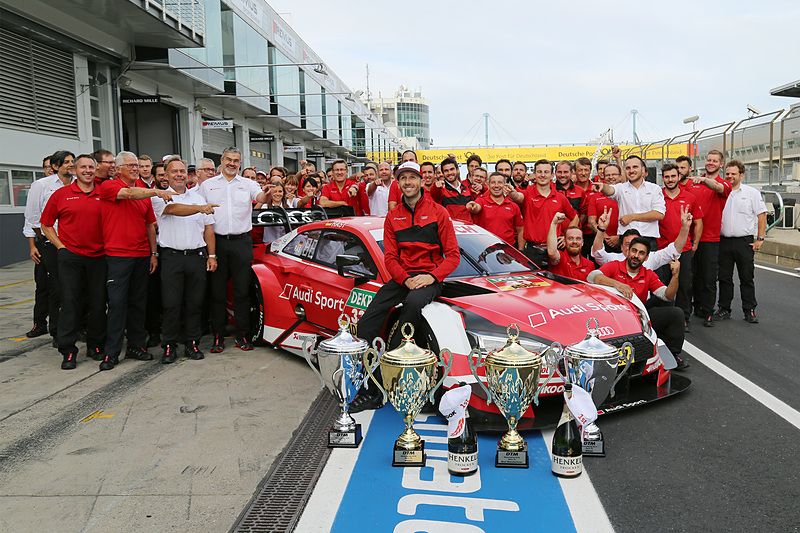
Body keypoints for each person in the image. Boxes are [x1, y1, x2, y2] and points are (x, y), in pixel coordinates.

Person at [353, 161, 460, 413]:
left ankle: (396, 367)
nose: (408, 182)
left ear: (422, 181)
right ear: (398, 183)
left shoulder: (438, 212)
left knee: (412, 304)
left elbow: (453, 256)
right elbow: (390, 258)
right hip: (403, 278)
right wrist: (405, 279)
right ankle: (370, 386)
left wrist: (432, 277)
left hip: (430, 278)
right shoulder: (393, 216)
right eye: (403, 178)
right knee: (367, 322)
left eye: (413, 177)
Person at [96, 151, 175, 370]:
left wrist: (153, 253)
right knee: (117, 304)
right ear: (118, 169)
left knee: (138, 303)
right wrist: (157, 191)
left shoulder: (144, 194)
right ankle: (111, 352)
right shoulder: (109, 186)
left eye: (136, 165)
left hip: (141, 255)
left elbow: (150, 225)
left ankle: (136, 346)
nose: (134, 168)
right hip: (118, 256)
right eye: (129, 165)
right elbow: (129, 194)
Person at [198, 147, 271, 352]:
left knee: (242, 292)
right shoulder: (207, 185)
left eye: (236, 160)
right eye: (228, 159)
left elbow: (261, 198)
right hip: (217, 243)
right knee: (217, 293)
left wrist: (267, 195)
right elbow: (199, 212)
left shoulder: (248, 184)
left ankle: (242, 335)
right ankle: (218, 336)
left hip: (242, 243)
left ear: (240, 163)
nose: (232, 163)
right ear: (222, 160)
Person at [39, 154, 106, 369]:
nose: (87, 170)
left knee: (98, 305)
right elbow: (46, 224)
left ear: (96, 170)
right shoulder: (61, 195)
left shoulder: (104, 193)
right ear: (74, 170)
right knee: (70, 304)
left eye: (91, 167)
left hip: (99, 257)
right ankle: (68, 351)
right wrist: (61, 246)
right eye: (83, 167)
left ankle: (96, 345)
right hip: (71, 257)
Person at [151, 157, 218, 363]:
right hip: (172, 258)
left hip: (196, 257)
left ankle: (192, 343)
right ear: (166, 175)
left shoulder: (198, 198)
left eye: (182, 171)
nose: (179, 175)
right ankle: (169, 346)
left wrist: (212, 255)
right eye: (174, 171)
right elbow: (174, 210)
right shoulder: (160, 197)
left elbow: (208, 228)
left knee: (194, 303)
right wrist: (200, 208)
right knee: (171, 305)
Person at [588, 237, 687, 369]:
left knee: (676, 313)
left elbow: (667, 296)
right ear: (628, 252)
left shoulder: (648, 274)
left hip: (638, 318)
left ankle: (672, 355)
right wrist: (618, 284)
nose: (636, 256)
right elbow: (592, 277)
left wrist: (675, 276)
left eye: (641, 253)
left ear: (646, 258)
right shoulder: (615, 266)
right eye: (634, 251)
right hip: (612, 318)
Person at [23, 150, 75, 346]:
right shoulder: (42, 185)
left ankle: (76, 327)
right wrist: (46, 240)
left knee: (74, 287)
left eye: (72, 161)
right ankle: (56, 330)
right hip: (52, 243)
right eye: (66, 162)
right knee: (55, 288)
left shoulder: (78, 183)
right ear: (55, 166)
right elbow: (32, 218)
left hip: (75, 244)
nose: (71, 165)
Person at [714, 160, 767, 324]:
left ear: (741, 175)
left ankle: (749, 310)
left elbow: (762, 215)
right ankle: (724, 308)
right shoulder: (720, 192)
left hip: (744, 242)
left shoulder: (751, 193)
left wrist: (760, 238)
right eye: (727, 173)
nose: (729, 176)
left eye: (733, 174)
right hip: (723, 241)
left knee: (746, 278)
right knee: (724, 278)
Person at [687, 150, 732, 327]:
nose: (710, 163)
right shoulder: (693, 183)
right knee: (692, 277)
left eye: (715, 161)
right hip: (690, 237)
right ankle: (695, 307)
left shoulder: (724, 184)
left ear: (721, 164)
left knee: (709, 278)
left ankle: (708, 312)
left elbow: (718, 188)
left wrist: (704, 180)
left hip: (710, 239)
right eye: (708, 160)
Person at [507, 159, 578, 268]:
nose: (543, 175)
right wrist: (512, 193)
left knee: (558, 278)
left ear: (552, 175)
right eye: (539, 172)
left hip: (556, 249)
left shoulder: (560, 198)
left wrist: (567, 236)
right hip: (533, 250)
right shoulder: (528, 194)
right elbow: (517, 196)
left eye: (546, 172)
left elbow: (575, 217)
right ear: (534, 174)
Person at [659, 163, 704, 331]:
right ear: (662, 179)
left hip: (684, 249)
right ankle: (665, 317)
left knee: (684, 285)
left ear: (679, 177)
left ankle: (683, 318)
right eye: (667, 177)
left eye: (673, 176)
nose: (670, 180)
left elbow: (698, 222)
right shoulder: (657, 196)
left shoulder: (690, 197)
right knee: (663, 285)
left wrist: (695, 244)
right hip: (662, 249)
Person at [592, 155, 665, 252]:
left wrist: (632, 217)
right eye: (628, 168)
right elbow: (610, 190)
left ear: (643, 169)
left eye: (635, 167)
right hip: (626, 241)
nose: (631, 171)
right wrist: (603, 186)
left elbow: (659, 214)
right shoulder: (621, 188)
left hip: (648, 239)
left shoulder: (654, 188)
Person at [592, 206, 692, 270]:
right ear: (621, 247)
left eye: (635, 244)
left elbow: (675, 250)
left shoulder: (649, 259)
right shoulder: (613, 259)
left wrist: (685, 228)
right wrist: (601, 229)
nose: (632, 249)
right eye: (628, 244)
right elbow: (597, 253)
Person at [466, 171, 523, 247]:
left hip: (508, 249)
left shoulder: (513, 206)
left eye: (500, 182)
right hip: (485, 248)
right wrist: (473, 206)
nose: (496, 186)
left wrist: (521, 250)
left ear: (505, 185)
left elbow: (521, 230)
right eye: (493, 182)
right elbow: (476, 207)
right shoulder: (481, 201)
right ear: (488, 185)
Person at [547, 213, 594, 281]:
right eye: (570, 238)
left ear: (582, 242)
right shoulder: (560, 258)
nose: (574, 242)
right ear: (564, 242)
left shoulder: (590, 265)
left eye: (578, 238)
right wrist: (554, 224)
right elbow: (551, 252)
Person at [587, 163, 622, 251]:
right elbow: (591, 222)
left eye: (614, 174)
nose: (611, 177)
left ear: (620, 176)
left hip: (625, 242)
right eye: (608, 175)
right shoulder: (595, 195)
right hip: (603, 242)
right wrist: (606, 237)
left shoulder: (628, 193)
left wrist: (620, 237)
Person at [430, 157, 474, 222]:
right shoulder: (441, 189)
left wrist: (482, 188)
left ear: (457, 170)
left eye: (452, 169)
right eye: (446, 171)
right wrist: (436, 187)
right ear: (443, 173)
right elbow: (434, 194)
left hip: (469, 227)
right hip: (450, 227)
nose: (449, 173)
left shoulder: (467, 189)